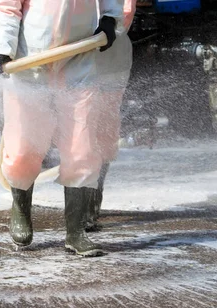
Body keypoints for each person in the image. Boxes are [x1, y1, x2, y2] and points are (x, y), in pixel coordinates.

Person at [0, 0, 125, 257]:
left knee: (81, 146)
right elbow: (7, 6)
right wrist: (2, 48)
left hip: (79, 60)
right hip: (28, 62)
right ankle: (20, 208)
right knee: (23, 145)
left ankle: (75, 232)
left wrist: (110, 19)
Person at [85, 0, 137, 231]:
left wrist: (107, 29)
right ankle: (80, 193)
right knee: (79, 125)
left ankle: (94, 191)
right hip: (71, 56)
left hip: (111, 56)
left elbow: (124, 13)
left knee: (104, 126)